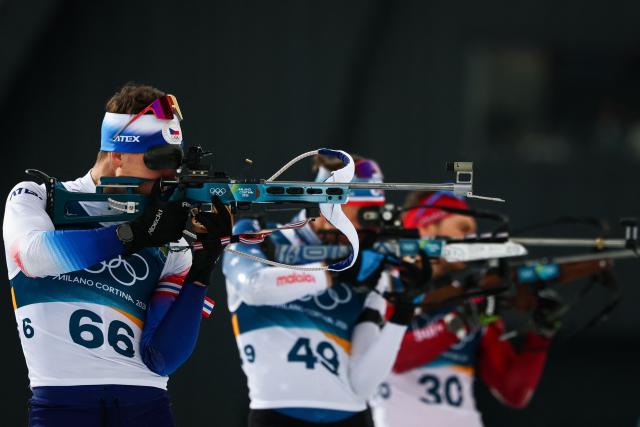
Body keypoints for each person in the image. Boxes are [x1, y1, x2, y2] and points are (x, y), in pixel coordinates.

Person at [3, 83, 230, 427]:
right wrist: (132, 235)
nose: (169, 176)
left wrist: (204, 263)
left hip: (146, 404)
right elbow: (33, 257)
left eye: (176, 162)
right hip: (62, 403)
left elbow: (163, 358)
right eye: (159, 161)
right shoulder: (40, 197)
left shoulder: (170, 228)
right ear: (117, 154)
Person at [222, 155, 431, 427]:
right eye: (364, 213)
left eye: (375, 215)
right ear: (328, 206)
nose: (370, 229)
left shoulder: (369, 265)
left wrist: (402, 313)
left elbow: (362, 385)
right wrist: (333, 272)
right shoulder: (258, 237)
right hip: (277, 414)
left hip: (352, 417)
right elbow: (254, 287)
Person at [370, 191, 560, 427]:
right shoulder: (385, 284)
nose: (471, 238)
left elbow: (513, 392)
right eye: (463, 228)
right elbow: (394, 359)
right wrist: (461, 321)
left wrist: (541, 335)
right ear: (426, 228)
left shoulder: (468, 295)